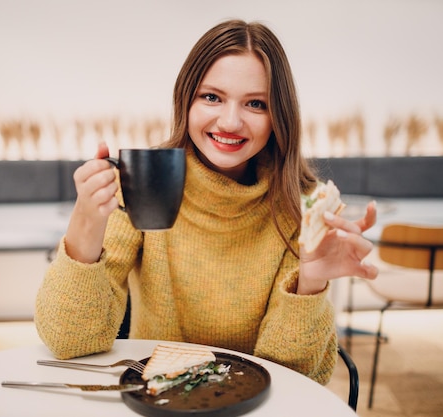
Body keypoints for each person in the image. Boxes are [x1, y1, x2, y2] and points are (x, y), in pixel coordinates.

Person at [35, 19, 378, 385]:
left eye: (256, 104)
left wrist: (309, 284)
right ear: (186, 100)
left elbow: (300, 379)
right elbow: (69, 340)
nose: (230, 121)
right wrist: (85, 225)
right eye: (211, 97)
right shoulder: (142, 182)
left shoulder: (302, 206)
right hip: (155, 399)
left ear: (279, 116)